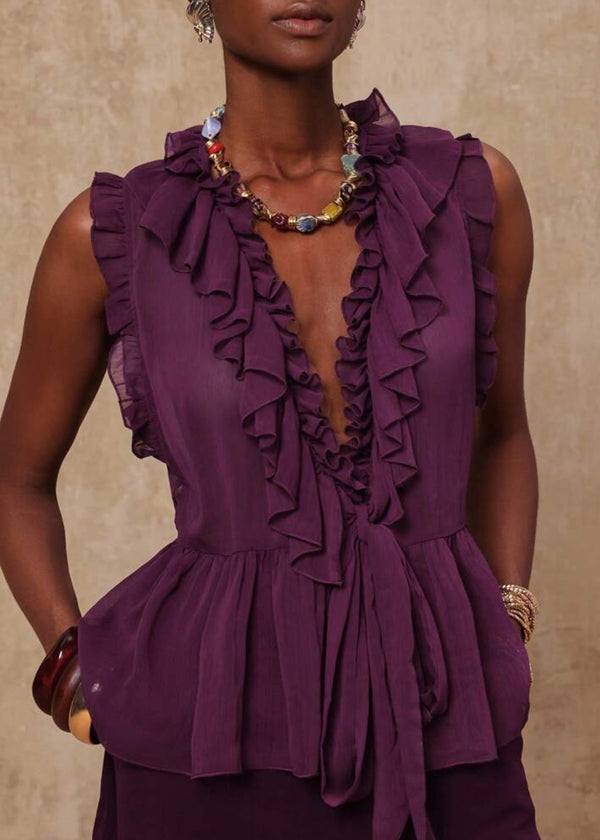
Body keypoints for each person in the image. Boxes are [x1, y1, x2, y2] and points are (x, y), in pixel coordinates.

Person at [0, 1, 542, 838]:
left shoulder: (468, 192)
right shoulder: (115, 232)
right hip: (204, 748)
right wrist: (70, 671)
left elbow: (501, 432)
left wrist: (504, 617)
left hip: (447, 718)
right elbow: (16, 482)